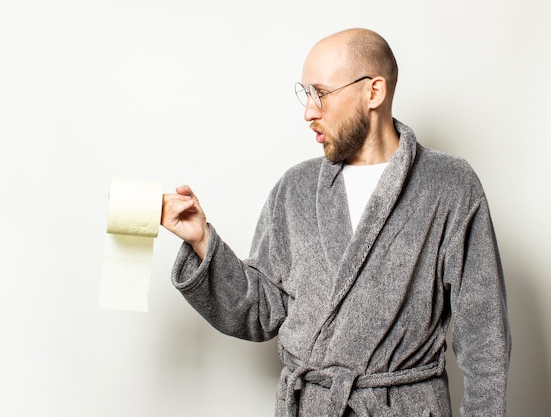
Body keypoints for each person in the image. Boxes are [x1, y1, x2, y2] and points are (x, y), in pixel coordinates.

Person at [161, 28, 511, 417]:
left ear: (373, 92)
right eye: (305, 94)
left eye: (321, 93)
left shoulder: (449, 185)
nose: (309, 111)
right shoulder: (295, 188)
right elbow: (259, 312)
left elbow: (484, 337)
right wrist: (202, 242)